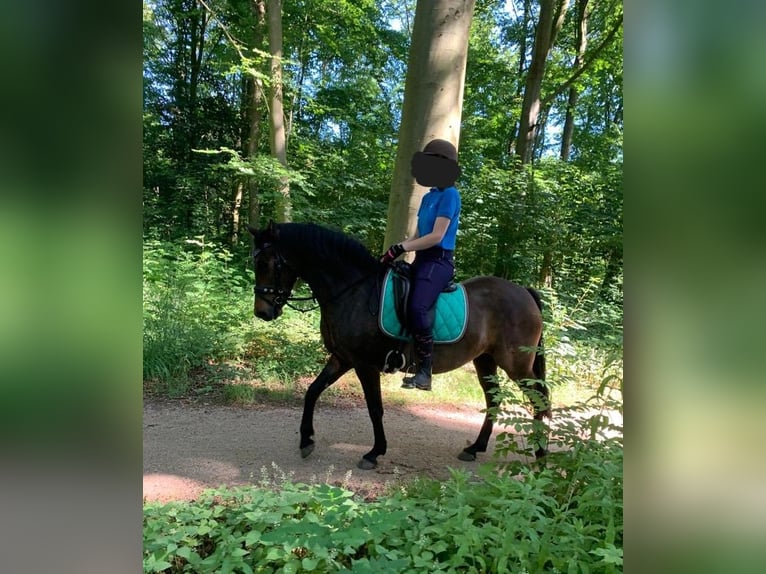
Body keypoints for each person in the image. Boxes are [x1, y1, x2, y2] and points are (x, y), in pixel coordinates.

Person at [380, 138, 462, 391]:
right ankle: (396, 354)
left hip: (438, 261)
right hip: (421, 259)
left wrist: (402, 248)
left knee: (417, 307)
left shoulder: (450, 195)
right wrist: (395, 251)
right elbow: (417, 235)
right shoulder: (429, 197)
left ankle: (425, 372)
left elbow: (437, 236)